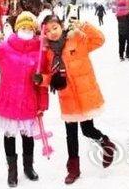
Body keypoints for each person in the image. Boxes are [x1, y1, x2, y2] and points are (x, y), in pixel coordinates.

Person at [35, 15, 116, 184]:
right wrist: (41, 79)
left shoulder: (77, 38)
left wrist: (84, 26)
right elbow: (51, 76)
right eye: (48, 30)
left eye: (55, 27)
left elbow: (99, 39)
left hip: (85, 94)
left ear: (61, 26)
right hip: (68, 97)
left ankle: (105, 143)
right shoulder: (48, 53)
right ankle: (73, 169)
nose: (52, 33)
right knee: (71, 135)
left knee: (87, 130)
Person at [0, 11, 48, 187]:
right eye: (23, 26)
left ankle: (28, 167)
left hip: (29, 102)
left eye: (29, 27)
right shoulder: (4, 48)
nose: (26, 29)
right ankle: (12, 171)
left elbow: (43, 81)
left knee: (28, 137)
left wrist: (42, 104)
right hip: (7, 100)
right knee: (9, 136)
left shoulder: (39, 52)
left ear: (34, 29)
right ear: (17, 29)